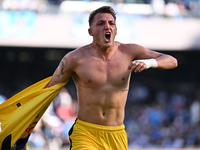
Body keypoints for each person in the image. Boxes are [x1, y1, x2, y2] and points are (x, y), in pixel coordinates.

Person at [46, 6, 178, 150]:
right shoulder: (74, 58)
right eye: (101, 23)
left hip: (116, 134)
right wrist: (26, 124)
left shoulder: (129, 51)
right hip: (86, 133)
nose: (107, 27)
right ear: (90, 32)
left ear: (116, 30)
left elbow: (172, 61)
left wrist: (148, 63)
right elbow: (48, 92)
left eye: (111, 23)